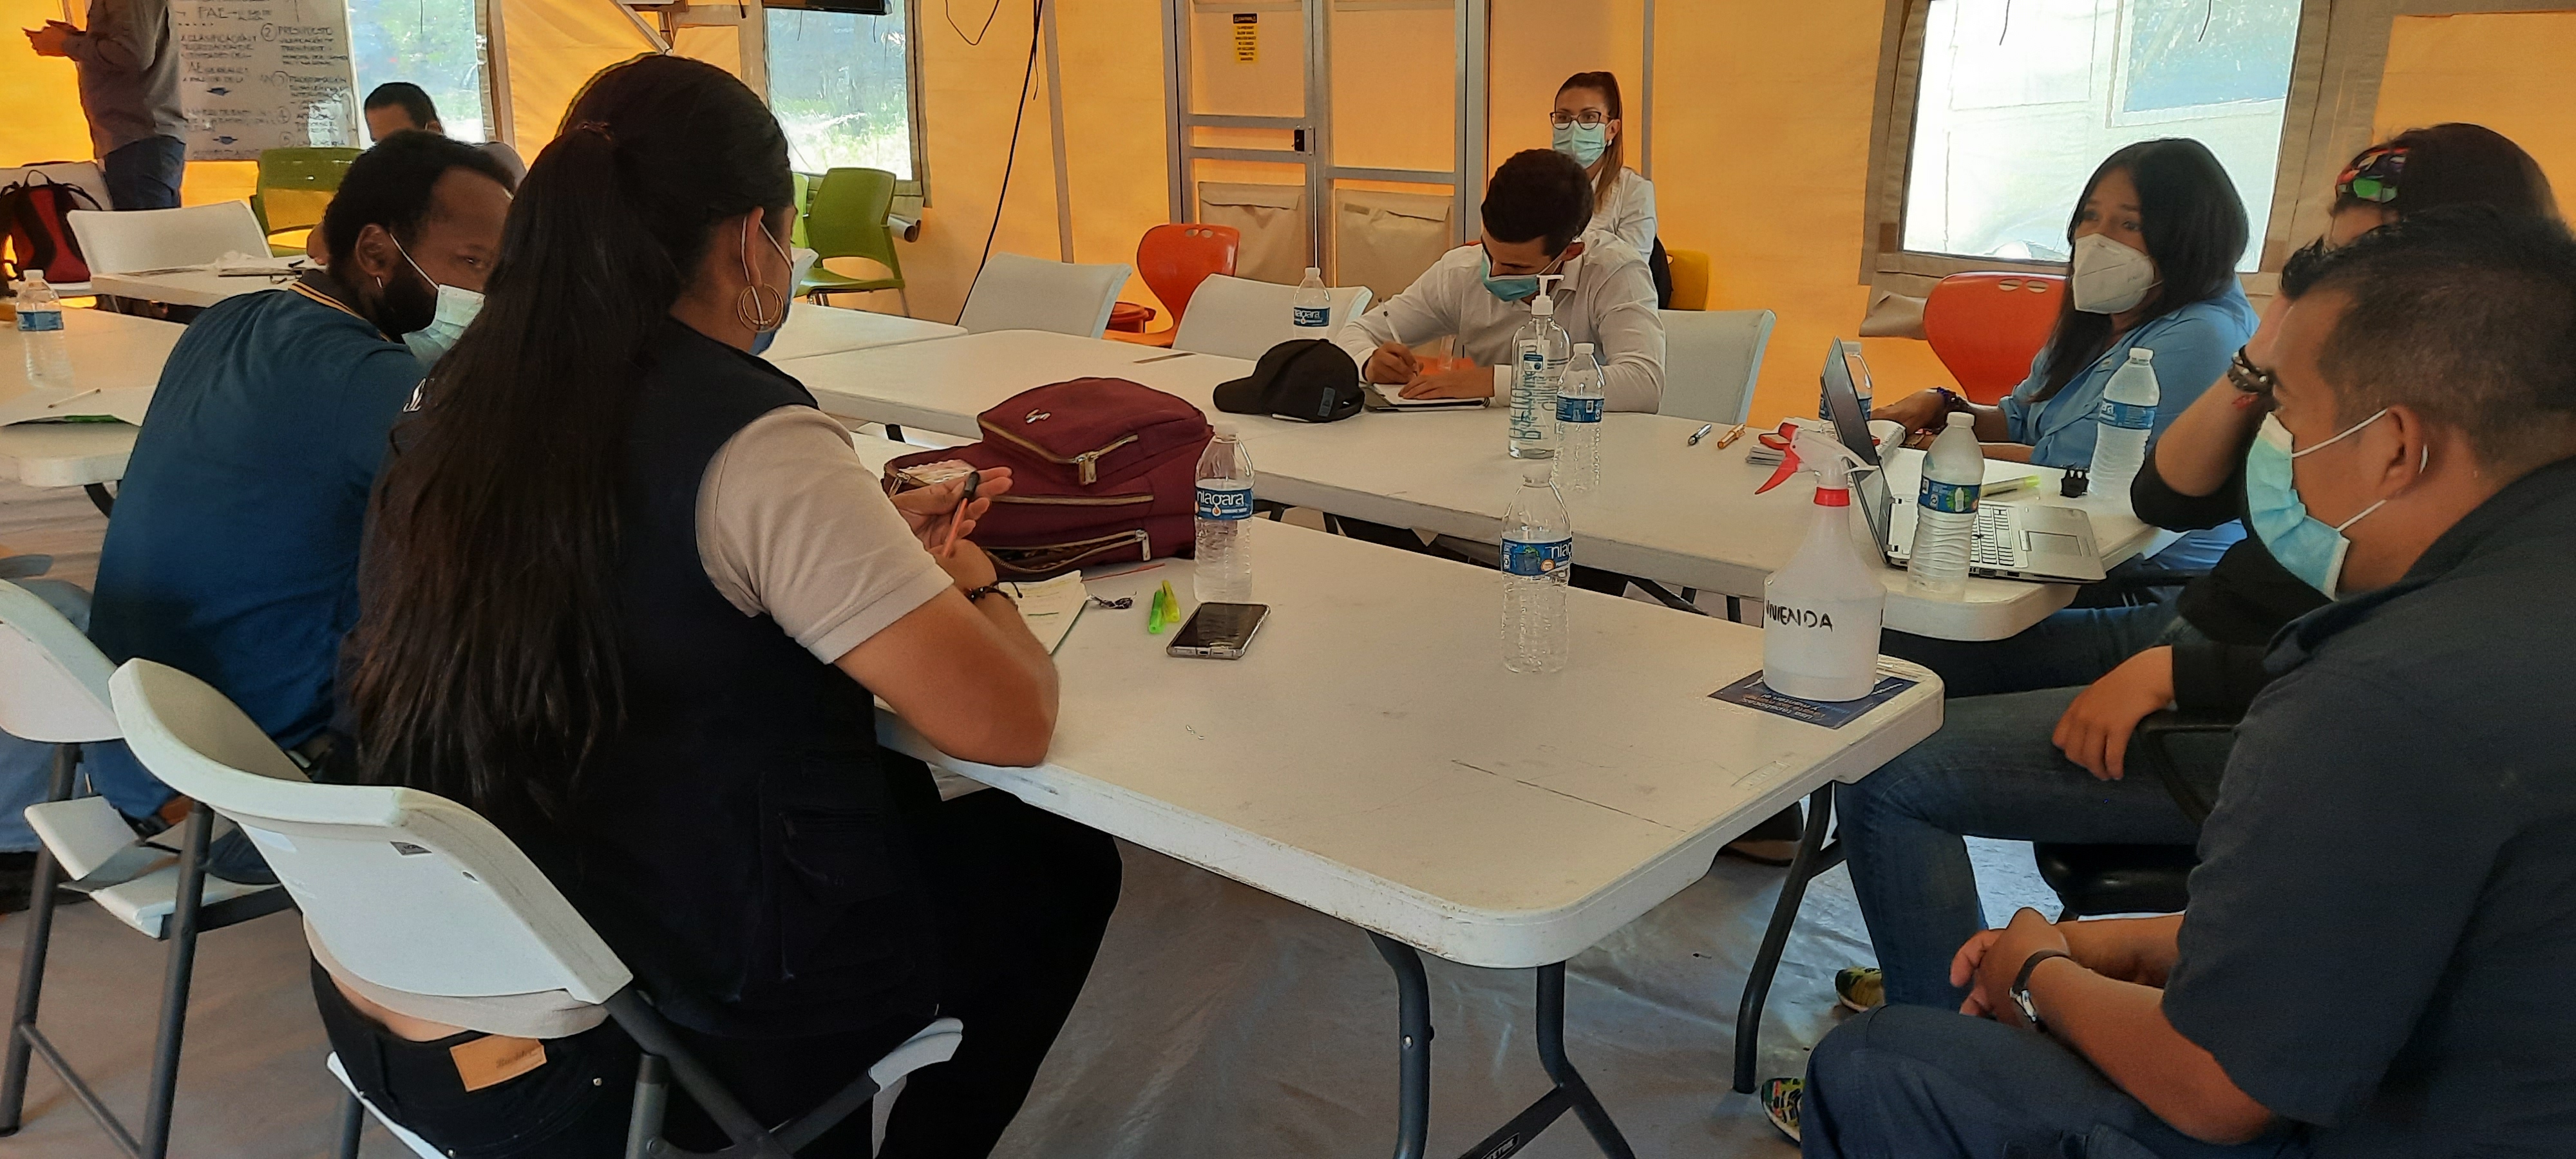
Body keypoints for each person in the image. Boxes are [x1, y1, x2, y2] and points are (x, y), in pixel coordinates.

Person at [328, 56, 1121, 1158]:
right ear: (754, 240)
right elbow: (1008, 724)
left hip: (438, 975)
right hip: (652, 1038)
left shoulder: (447, 395)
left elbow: (621, 575)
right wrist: (970, 580)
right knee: (1057, 864)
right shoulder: (752, 438)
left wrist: (851, 551)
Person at [1787, 207, 2576, 1158]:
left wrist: (2035, 972)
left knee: (1884, 1066)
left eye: (2289, 413)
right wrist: (2123, 945)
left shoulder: (2378, 694)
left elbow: (2217, 1090)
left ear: (2394, 448)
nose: (2276, 449)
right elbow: (2369, 918)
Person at [79, 133, 512, 848]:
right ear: (375, 253)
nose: (491, 297)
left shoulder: (228, 320)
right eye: (473, 264)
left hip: (138, 751)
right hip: (248, 793)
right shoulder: (374, 383)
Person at [1875, 138, 2255, 471]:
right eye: (2091, 216)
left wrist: (1919, 450)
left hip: (2128, 532)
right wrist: (1944, 406)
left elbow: (2070, 468)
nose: (2096, 239)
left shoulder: (2204, 337)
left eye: (2130, 225)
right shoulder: (2107, 314)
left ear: (2191, 239)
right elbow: (2019, 421)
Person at [1335, 147, 1665, 411]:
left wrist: (1495, 382)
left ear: (1570, 252)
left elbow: (1643, 384)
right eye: (1487, 252)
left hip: (1587, 444)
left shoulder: (1614, 272)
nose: (1493, 274)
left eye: (1516, 268)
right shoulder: (1460, 273)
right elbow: (1354, 333)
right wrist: (1369, 363)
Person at [24, 0, 187, 209]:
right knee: (149, 226)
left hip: (138, 141)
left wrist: (66, 44)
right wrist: (74, 39)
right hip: (137, 140)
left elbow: (133, 54)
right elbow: (131, 47)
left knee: (143, 228)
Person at [1550, 71, 1667, 305]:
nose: (1574, 128)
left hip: (1609, 304)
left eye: (1589, 117)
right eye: (1564, 118)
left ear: (1612, 129)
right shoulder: (1537, 185)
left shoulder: (1635, 191)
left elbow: (1628, 271)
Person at [363, 80, 529, 184]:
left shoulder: (496, 159)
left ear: (434, 131)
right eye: (379, 145)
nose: (387, 156)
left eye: (398, 142)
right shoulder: (391, 190)